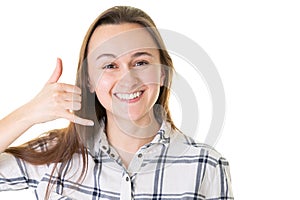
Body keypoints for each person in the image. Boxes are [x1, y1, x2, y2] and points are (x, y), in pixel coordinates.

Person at [0, 6, 233, 200]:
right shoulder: (55, 154)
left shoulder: (207, 166)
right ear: (89, 81)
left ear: (163, 73)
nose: (128, 79)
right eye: (110, 66)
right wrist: (28, 114)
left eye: (141, 62)